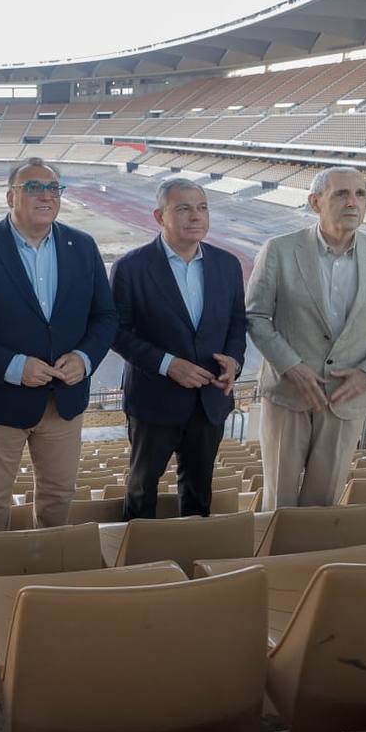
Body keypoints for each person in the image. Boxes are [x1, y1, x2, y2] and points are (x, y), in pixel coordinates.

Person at [0, 157, 117, 531]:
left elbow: (106, 316)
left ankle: (45, 572)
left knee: (58, 496)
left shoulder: (82, 247)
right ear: (10, 197)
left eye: (53, 188)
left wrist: (84, 358)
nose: (46, 195)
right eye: (33, 187)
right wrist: (13, 366)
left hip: (64, 401)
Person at [246, 166, 366, 509]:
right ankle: (274, 562)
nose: (353, 202)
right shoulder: (279, 250)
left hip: (346, 400)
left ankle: (309, 562)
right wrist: (291, 365)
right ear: (315, 201)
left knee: (324, 504)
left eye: (360, 194)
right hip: (288, 393)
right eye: (342, 194)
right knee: (279, 502)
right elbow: (256, 316)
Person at [111, 178, 246, 520]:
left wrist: (234, 361)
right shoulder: (131, 267)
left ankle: (193, 557)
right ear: (160, 216)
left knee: (199, 489)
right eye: (183, 209)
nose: (195, 216)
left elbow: (235, 324)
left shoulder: (227, 265)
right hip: (153, 400)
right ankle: (140, 565)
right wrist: (168, 364)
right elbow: (118, 333)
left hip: (210, 399)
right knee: (142, 488)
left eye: (202, 208)